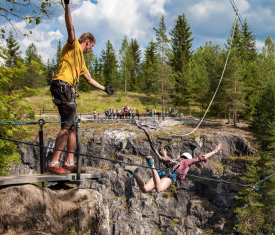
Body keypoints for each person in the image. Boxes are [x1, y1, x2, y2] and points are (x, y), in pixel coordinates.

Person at [47, 0, 113, 175]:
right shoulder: (73, 45)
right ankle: (53, 163)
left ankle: (69, 162)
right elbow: (70, 27)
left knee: (73, 126)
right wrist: (67, 5)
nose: (92, 49)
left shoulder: (81, 61)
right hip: (61, 85)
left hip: (67, 89)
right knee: (68, 124)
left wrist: (104, 88)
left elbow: (89, 79)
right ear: (88, 42)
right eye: (92, 46)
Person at [125, 144, 222, 193]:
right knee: (158, 189)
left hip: (161, 172)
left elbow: (167, 160)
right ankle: (152, 165)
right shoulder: (187, 162)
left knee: (145, 189)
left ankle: (135, 172)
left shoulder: (176, 160)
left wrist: (165, 154)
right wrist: (214, 151)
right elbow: (202, 158)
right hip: (169, 175)